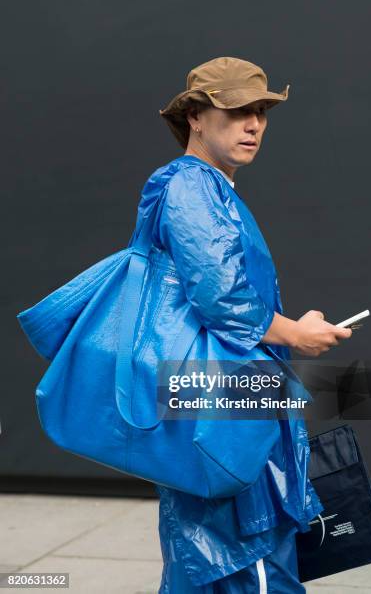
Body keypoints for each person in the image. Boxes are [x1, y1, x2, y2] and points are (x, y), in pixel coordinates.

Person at [135, 57, 352, 593]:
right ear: (195, 118)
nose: (253, 124)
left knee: (217, 563)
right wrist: (295, 333)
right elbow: (223, 299)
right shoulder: (190, 185)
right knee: (248, 560)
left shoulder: (208, 185)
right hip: (222, 404)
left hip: (224, 398)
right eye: (234, 111)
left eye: (259, 111)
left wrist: (288, 329)